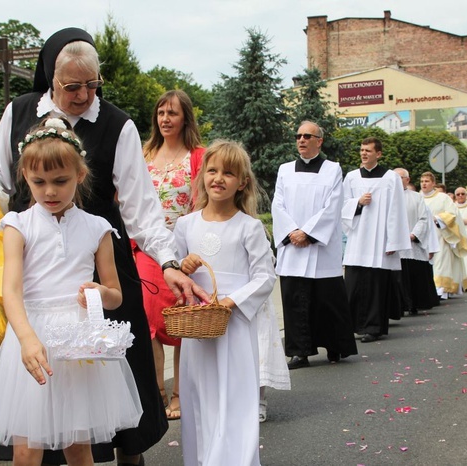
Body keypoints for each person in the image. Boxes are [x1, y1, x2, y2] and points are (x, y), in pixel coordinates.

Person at [0, 28, 205, 465]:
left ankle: (129, 456)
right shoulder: (20, 111)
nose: (82, 95)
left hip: (99, 254)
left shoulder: (117, 124)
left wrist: (167, 261)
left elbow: (142, 209)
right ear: (51, 80)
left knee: (114, 375)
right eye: (72, 87)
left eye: (92, 85)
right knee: (38, 398)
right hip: (34, 262)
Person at [0, 119, 143, 466]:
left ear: (80, 175)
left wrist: (100, 292)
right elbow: (11, 290)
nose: (49, 191)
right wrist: (26, 338)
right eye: (39, 182)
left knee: (78, 446)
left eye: (60, 181)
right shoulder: (17, 225)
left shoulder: (98, 228)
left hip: (77, 343)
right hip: (31, 334)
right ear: (25, 177)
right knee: (26, 449)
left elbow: (116, 294)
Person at [175, 140, 275, 466]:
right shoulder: (186, 225)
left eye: (228, 173)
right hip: (198, 327)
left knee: (234, 397)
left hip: (234, 326)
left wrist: (231, 302)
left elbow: (265, 277)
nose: (218, 178)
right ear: (203, 174)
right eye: (213, 170)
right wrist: (184, 267)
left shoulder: (250, 227)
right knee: (199, 397)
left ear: (242, 182)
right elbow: (176, 274)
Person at [135, 90, 204, 422]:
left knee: (180, 322)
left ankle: (179, 392)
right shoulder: (144, 153)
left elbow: (205, 203)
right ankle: (157, 393)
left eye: (172, 113)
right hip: (147, 249)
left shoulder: (198, 156)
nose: (165, 118)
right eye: (161, 112)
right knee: (150, 320)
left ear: (184, 118)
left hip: (184, 250)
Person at [271, 121, 357, 369]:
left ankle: (334, 346)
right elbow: (277, 205)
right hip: (293, 247)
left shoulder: (333, 170)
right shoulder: (285, 170)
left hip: (320, 248)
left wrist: (308, 233)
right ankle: (299, 352)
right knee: (295, 300)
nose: (301, 140)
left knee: (327, 300)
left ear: (319, 141)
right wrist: (292, 232)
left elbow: (333, 206)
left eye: (307, 136)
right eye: (298, 136)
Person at [341, 137, 410, 343]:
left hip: (380, 239)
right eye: (362, 150)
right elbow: (342, 205)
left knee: (375, 287)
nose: (364, 153)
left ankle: (374, 327)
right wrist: (358, 203)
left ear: (378, 154)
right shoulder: (352, 177)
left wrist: (393, 242)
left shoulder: (391, 178)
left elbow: (397, 210)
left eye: (368, 151)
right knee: (352, 285)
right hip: (357, 238)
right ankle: (352, 324)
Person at [394, 168, 440, 314]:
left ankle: (414, 304)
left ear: (407, 180)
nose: (396, 180)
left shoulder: (416, 197)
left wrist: (414, 235)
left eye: (400, 177)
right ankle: (398, 307)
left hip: (413, 245)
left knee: (413, 277)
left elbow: (424, 219)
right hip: (394, 246)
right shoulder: (386, 196)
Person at [420, 172, 467, 298]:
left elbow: (452, 213)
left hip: (440, 234)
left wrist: (437, 219)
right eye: (422, 181)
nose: (424, 184)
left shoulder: (443, 198)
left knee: (441, 262)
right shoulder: (417, 197)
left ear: (433, 183)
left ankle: (441, 289)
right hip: (421, 235)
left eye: (427, 181)